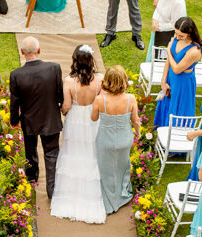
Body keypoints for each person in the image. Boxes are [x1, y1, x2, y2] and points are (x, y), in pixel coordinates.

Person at [50, 44, 105, 224]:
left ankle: (69, 194)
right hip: (92, 117)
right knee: (91, 151)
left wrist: (66, 113)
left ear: (75, 61)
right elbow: (102, 101)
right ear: (91, 61)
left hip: (75, 118)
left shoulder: (69, 81)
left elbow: (66, 106)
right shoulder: (100, 79)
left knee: (73, 152)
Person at [9, 36, 63, 198]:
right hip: (50, 118)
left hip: (29, 120)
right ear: (39, 51)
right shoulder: (54, 68)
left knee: (30, 150)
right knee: (52, 153)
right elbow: (60, 95)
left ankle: (32, 177)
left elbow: (15, 101)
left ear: (22, 52)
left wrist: (14, 120)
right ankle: (52, 189)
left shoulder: (16, 75)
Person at [91, 64, 140, 215]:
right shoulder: (130, 99)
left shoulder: (100, 100)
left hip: (106, 140)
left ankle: (108, 200)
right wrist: (137, 133)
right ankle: (121, 195)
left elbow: (93, 118)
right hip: (125, 139)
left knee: (105, 170)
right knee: (122, 166)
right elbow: (135, 121)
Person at [152, 17, 202, 128]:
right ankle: (162, 129)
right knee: (166, 103)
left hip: (183, 84)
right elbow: (168, 63)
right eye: (176, 34)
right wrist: (163, 81)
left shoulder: (194, 51)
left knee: (178, 108)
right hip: (171, 78)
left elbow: (177, 69)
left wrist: (168, 51)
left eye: (181, 36)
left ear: (189, 34)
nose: (178, 37)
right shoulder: (177, 37)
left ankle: (174, 133)